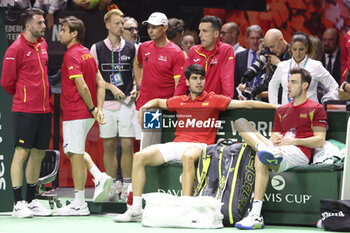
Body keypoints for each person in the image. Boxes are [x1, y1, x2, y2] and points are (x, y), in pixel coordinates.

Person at [113, 64, 277, 222]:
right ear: (187, 81)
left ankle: (186, 208)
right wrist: (145, 106)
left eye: (201, 78)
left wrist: (277, 107)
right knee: (139, 157)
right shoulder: (179, 101)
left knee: (187, 156)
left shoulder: (214, 99)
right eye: (195, 78)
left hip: (200, 147)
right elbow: (158, 102)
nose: (199, 82)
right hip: (176, 145)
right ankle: (135, 209)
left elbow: (247, 104)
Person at [234, 67, 327, 229]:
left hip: (298, 152)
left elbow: (319, 140)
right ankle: (263, 149)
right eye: (288, 82)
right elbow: (274, 136)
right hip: (276, 148)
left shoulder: (316, 108)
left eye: (293, 82)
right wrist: (274, 138)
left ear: (305, 86)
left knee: (260, 157)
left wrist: (293, 142)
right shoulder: (282, 110)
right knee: (240, 122)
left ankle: (255, 215)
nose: (288, 86)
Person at [55, 16, 113, 215]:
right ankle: (99, 176)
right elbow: (101, 83)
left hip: (76, 112)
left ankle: (79, 203)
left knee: (75, 155)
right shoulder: (87, 53)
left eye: (63, 29)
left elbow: (82, 85)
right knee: (76, 152)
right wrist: (98, 109)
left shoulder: (71, 55)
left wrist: (91, 108)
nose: (60, 33)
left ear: (74, 33)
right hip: (85, 113)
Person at [1, 8, 52, 218]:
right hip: (25, 109)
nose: (44, 26)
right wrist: (25, 96)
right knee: (21, 153)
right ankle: (17, 204)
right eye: (40, 23)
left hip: (44, 109)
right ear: (28, 25)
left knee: (38, 154)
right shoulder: (15, 49)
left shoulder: (43, 45)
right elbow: (6, 82)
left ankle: (31, 201)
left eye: (43, 22)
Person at [90, 9, 137, 201]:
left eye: (122, 23)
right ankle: (111, 184)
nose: (121, 27)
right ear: (108, 25)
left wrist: (136, 88)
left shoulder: (132, 48)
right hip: (107, 103)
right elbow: (95, 77)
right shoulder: (97, 48)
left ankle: (127, 185)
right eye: (117, 23)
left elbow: (136, 75)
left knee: (127, 144)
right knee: (108, 145)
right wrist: (110, 86)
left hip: (127, 103)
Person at [135, 12, 186, 148]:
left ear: (164, 28)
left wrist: (174, 109)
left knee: (160, 149)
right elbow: (138, 64)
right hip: (145, 106)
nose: (150, 30)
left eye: (155, 27)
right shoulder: (143, 47)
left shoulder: (176, 53)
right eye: (149, 27)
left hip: (164, 109)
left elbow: (179, 85)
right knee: (146, 148)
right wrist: (139, 87)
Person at [268, 32, 339, 105]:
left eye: (301, 49)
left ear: (306, 48)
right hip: (287, 113)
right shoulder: (282, 66)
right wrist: (274, 106)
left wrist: (325, 101)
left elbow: (334, 86)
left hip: (310, 113)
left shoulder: (316, 66)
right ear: (290, 49)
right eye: (295, 49)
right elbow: (272, 86)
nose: (298, 53)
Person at [175, 15, 235, 98]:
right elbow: (183, 81)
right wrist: (175, 102)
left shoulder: (226, 50)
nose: (200, 35)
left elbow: (227, 80)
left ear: (216, 33)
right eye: (200, 31)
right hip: (195, 104)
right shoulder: (194, 51)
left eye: (205, 31)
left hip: (216, 105)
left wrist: (227, 103)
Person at [234, 25, 263, 99]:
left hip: (262, 99)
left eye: (258, 38)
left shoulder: (267, 56)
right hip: (243, 99)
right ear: (247, 39)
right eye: (252, 38)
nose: (255, 41)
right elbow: (236, 81)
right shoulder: (239, 56)